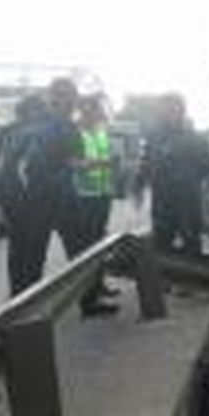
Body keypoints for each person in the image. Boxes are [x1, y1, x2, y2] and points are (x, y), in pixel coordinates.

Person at [0, 80, 85, 298]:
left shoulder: (14, 129)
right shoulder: (64, 126)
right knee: (78, 251)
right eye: (72, 98)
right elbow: (76, 163)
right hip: (51, 199)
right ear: (70, 99)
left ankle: (17, 309)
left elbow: (6, 168)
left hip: (18, 202)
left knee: (23, 259)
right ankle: (87, 300)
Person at [136, 94, 209, 256]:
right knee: (161, 241)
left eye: (171, 109)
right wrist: (139, 183)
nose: (165, 113)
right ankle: (164, 277)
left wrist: (187, 175)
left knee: (191, 239)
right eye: (163, 109)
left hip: (187, 198)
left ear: (181, 111)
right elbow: (146, 162)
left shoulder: (195, 137)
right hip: (162, 198)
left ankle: (193, 276)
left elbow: (208, 164)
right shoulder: (154, 137)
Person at [72, 93, 120, 310]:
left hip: (102, 194)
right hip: (84, 197)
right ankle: (88, 295)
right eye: (97, 108)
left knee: (100, 242)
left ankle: (99, 284)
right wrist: (104, 163)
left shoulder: (101, 131)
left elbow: (109, 157)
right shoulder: (75, 132)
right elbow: (74, 164)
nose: (101, 112)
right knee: (87, 246)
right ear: (85, 109)